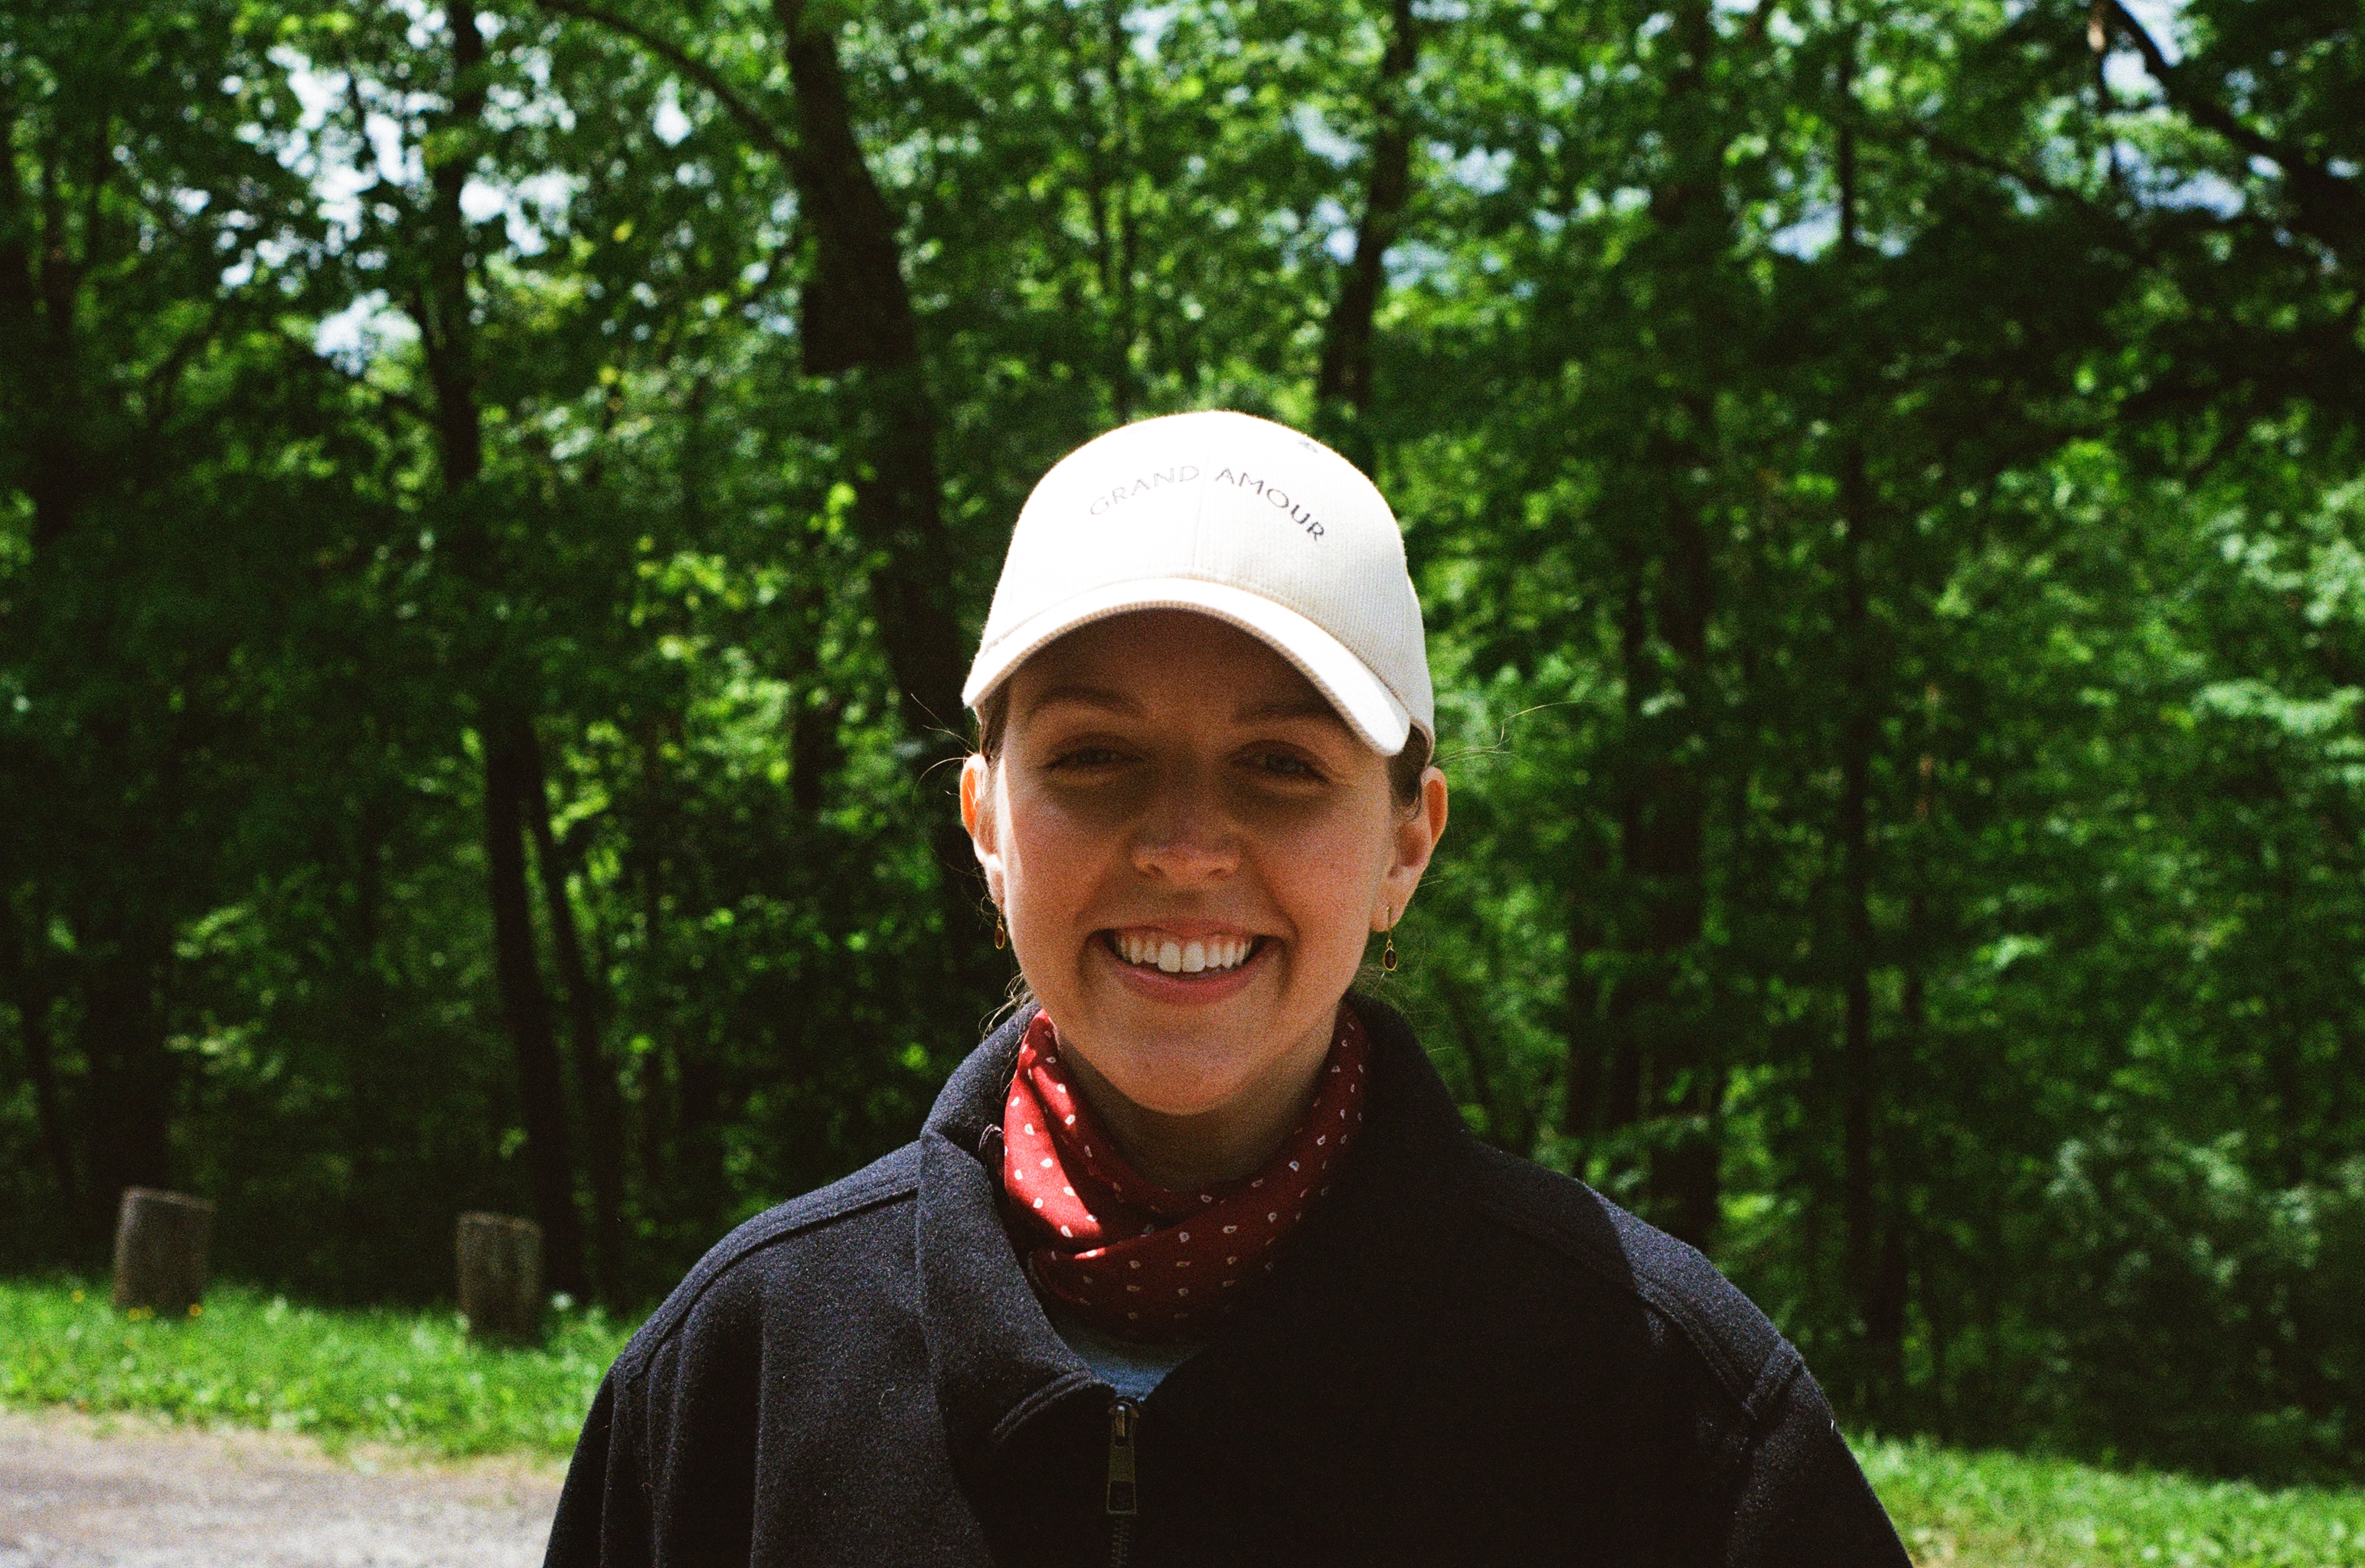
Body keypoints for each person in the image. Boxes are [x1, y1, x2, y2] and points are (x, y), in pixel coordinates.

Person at [541, 410, 1910, 1566]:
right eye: (1092, 758)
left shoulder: (1663, 1400)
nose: (1184, 846)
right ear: (984, 826)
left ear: (1405, 843)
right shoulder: (743, 1375)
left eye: (1281, 765)